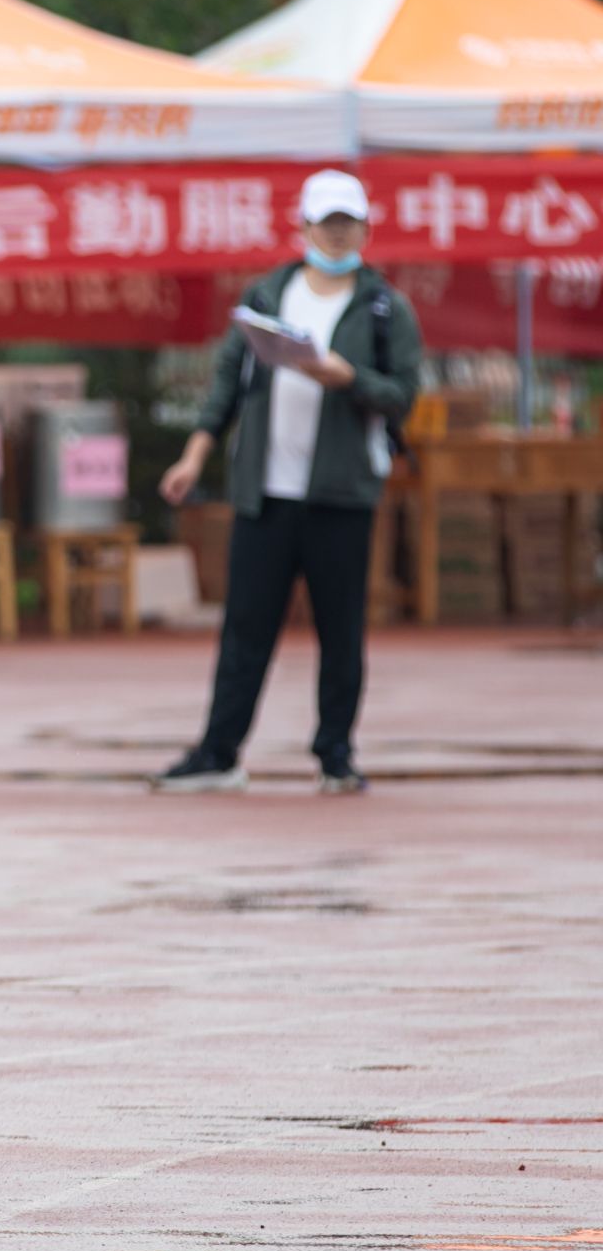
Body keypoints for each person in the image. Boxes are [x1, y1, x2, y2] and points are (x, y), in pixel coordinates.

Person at [155, 170, 422, 796]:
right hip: (265, 492)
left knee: (340, 630)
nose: (335, 234)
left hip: (341, 495)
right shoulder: (269, 296)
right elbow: (227, 384)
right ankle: (219, 752)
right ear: (302, 227)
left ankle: (335, 753)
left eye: (346, 223)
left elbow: (403, 395)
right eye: (325, 223)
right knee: (246, 627)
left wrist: (346, 376)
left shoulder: (384, 308)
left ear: (364, 228)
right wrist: (194, 457)